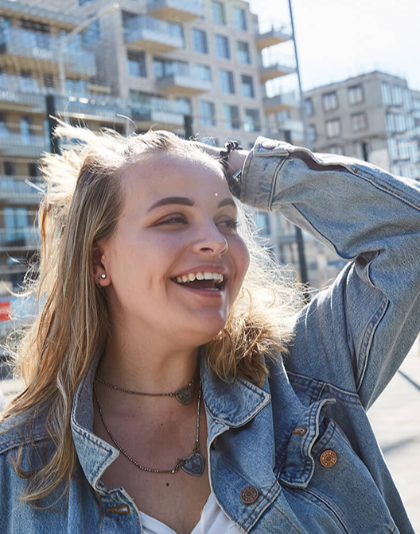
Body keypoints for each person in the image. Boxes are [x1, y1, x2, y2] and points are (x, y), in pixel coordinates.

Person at [0, 124, 417, 534]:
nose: (215, 241)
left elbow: (408, 232)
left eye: (227, 221)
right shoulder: (17, 464)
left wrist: (238, 165)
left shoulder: (304, 373)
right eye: (173, 219)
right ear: (98, 261)